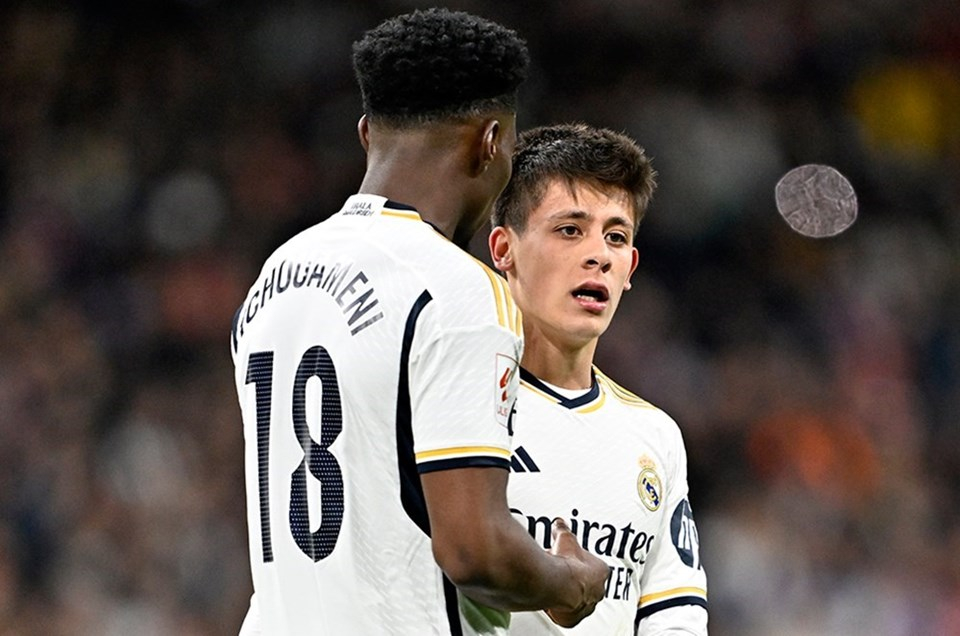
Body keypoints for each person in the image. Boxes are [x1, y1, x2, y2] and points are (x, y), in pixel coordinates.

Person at [230, 10, 609, 635]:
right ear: (491, 143)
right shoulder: (456, 288)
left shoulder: (275, 276)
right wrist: (570, 581)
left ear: (365, 135)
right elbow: (475, 553)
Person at [488, 123, 709, 634]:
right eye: (570, 230)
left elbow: (674, 617)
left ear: (630, 267)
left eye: (616, 237)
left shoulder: (655, 435)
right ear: (503, 249)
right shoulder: (456, 400)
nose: (599, 255)